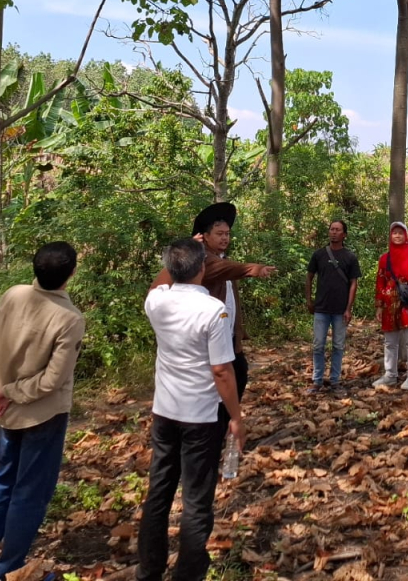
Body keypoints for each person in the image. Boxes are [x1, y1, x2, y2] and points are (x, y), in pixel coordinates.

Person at [0, 242, 85, 579]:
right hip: (41, 414)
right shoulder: (69, 318)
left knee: (3, 480)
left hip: (3, 408)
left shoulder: (12, 294)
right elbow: (51, 381)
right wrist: (9, 392)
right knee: (30, 492)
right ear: (71, 274)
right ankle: (11, 568)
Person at [136, 238, 244, 581]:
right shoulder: (213, 310)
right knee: (196, 500)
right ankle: (188, 572)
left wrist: (178, 257)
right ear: (202, 268)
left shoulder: (157, 301)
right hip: (201, 415)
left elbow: (158, 282)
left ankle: (148, 570)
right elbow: (221, 370)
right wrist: (237, 417)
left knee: (160, 490)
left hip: (165, 412)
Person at [187, 202, 277, 400]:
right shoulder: (201, 260)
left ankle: (225, 421)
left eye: (227, 233)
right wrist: (254, 269)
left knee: (238, 373)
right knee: (216, 386)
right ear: (205, 236)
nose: (225, 238)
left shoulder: (222, 258)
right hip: (211, 337)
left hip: (228, 336)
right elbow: (228, 268)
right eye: (220, 234)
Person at [306, 220, 361, 394]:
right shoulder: (319, 255)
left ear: (344, 234)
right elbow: (309, 277)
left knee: (338, 346)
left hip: (340, 310)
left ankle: (335, 380)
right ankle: (317, 381)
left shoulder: (350, 257)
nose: (334, 232)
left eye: (338, 230)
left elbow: (353, 283)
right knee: (318, 345)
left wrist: (348, 308)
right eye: (332, 229)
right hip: (321, 309)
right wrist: (309, 300)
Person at [373, 221, 408, 391]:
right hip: (390, 305)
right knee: (390, 341)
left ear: (406, 235)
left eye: (400, 233)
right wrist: (379, 306)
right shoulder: (385, 258)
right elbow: (380, 282)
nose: (397, 236)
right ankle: (390, 374)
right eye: (394, 233)